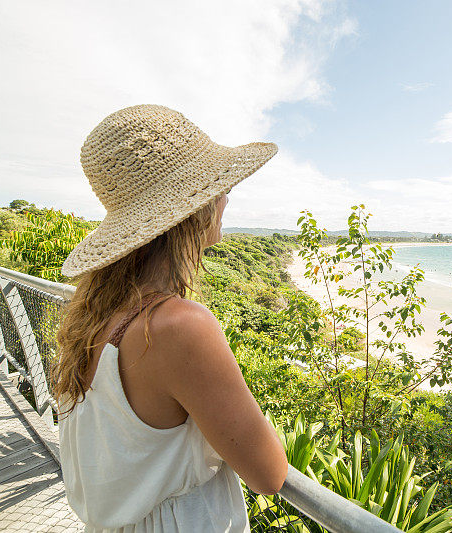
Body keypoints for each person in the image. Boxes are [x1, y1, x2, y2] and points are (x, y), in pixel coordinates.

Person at [52, 104, 288, 532]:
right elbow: (269, 474)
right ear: (194, 209)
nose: (226, 197)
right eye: (218, 188)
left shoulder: (96, 316)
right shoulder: (179, 326)